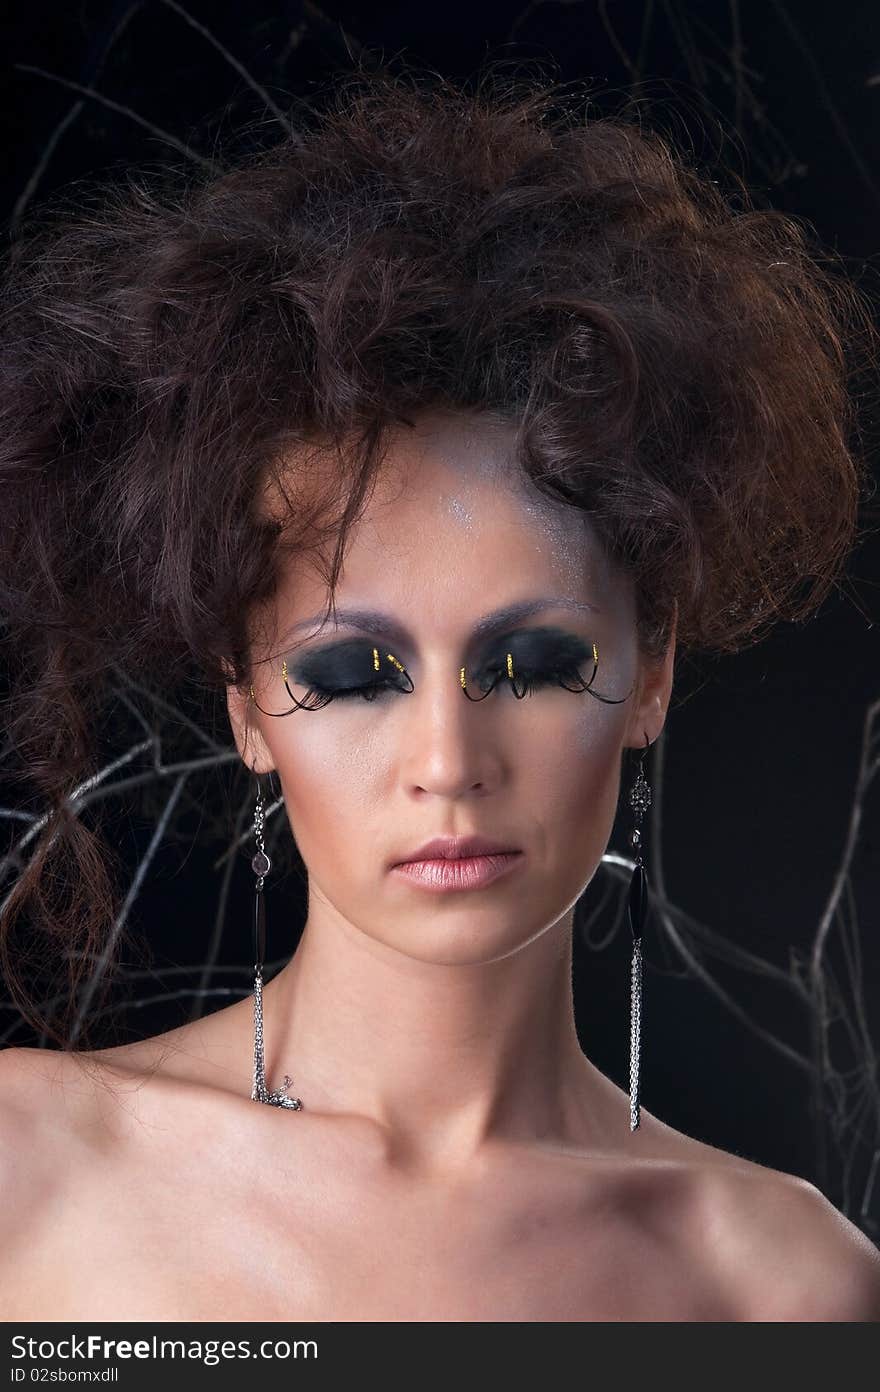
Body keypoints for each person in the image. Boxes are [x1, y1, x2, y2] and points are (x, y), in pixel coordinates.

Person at [1, 64, 879, 1322]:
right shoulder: (26, 1169)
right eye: (352, 673)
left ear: (653, 671)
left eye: (529, 664)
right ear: (246, 705)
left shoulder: (782, 1291)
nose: (446, 758)